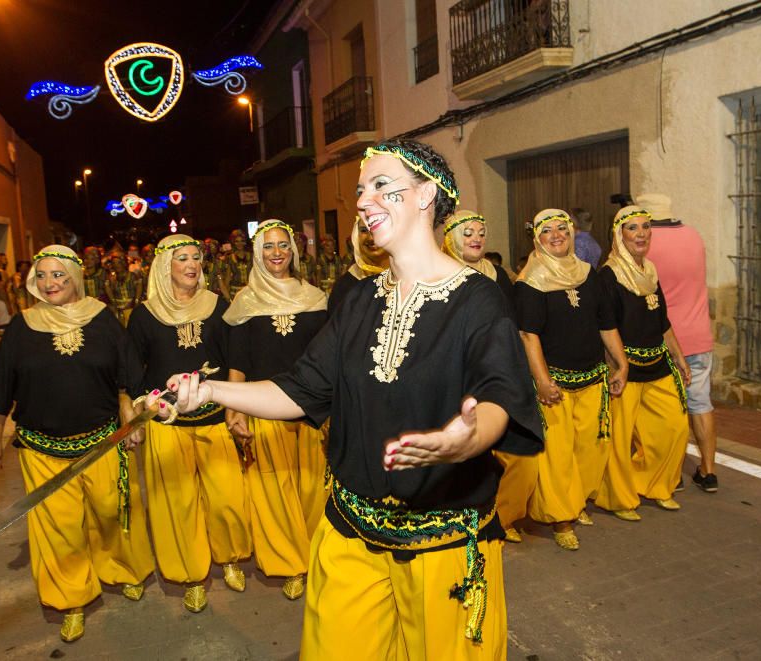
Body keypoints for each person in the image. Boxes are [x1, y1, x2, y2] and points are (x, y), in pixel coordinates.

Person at [156, 140, 542, 659]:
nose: (363, 201)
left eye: (382, 186)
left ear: (427, 194)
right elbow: (299, 389)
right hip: (350, 529)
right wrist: (207, 390)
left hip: (443, 539)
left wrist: (469, 440)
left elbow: (499, 396)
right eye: (361, 191)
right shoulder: (360, 298)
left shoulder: (478, 298)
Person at [0, 245, 155, 643]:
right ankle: (71, 599)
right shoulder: (22, 326)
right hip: (42, 447)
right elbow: (1, 389)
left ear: (75, 276)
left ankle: (122, 570)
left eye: (58, 274)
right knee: (59, 528)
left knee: (113, 510)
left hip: (102, 440)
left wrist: (130, 412)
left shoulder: (102, 318)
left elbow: (128, 376)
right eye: (41, 276)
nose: (50, 283)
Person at [127, 234, 251, 613]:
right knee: (176, 507)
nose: (192, 264)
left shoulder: (218, 306)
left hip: (215, 420)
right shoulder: (145, 315)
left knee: (228, 500)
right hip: (168, 426)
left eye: (196, 257)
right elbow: (133, 373)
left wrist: (237, 405)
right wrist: (137, 409)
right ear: (166, 266)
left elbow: (236, 358)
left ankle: (229, 557)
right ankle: (191, 576)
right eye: (182, 258)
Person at [223, 219, 329, 601]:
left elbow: (327, 358)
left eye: (283, 245)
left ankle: (317, 556)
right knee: (271, 488)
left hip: (311, 407)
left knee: (312, 488)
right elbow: (238, 361)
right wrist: (233, 408)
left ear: (295, 250)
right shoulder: (244, 302)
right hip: (263, 407)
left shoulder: (316, 299)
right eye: (268, 247)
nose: (277, 253)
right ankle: (290, 564)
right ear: (256, 253)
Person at [515, 209, 627, 550]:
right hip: (555, 384)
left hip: (593, 377)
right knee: (558, 455)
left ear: (572, 231)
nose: (555, 235)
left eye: (561, 228)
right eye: (546, 231)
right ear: (537, 239)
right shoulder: (530, 281)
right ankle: (561, 518)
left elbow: (605, 323)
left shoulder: (588, 275)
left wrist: (621, 364)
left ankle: (576, 501)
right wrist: (544, 380)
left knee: (590, 449)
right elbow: (527, 336)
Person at [594, 206, 691, 519]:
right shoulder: (608, 275)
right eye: (632, 228)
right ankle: (619, 498)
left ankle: (655, 485)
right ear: (620, 235)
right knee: (620, 439)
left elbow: (662, 320)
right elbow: (606, 326)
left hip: (658, 364)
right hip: (626, 366)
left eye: (645, 227)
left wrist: (679, 356)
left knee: (674, 427)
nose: (641, 234)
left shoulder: (650, 270)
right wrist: (619, 366)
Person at [442, 210, 529, 541]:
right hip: (459, 378)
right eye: (468, 233)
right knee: (467, 458)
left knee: (519, 456)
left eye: (481, 232)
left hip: (500, 375)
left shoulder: (497, 275)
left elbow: (513, 324)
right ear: (451, 237)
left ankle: (502, 517)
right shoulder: (439, 275)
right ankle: (466, 525)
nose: (476, 238)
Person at [641, 193, 719, 492]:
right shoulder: (694, 235)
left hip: (667, 337)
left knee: (666, 409)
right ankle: (708, 471)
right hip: (699, 335)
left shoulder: (645, 242)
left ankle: (670, 475)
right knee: (700, 403)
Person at [327, 216, 388, 315]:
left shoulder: (407, 278)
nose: (371, 238)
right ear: (355, 237)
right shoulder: (345, 287)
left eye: (378, 229)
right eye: (364, 230)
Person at [220, 230, 253, 302]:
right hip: (235, 292)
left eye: (241, 241)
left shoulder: (251, 256)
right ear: (233, 243)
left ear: (245, 242)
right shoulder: (230, 258)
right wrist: (226, 295)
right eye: (237, 241)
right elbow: (228, 278)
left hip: (250, 290)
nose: (239, 243)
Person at [108, 254, 141, 326]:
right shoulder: (112, 278)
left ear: (124, 263)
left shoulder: (133, 276)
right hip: (118, 308)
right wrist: (114, 303)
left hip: (131, 308)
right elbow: (110, 293)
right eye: (114, 263)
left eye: (119, 262)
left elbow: (138, 289)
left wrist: (136, 302)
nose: (117, 265)